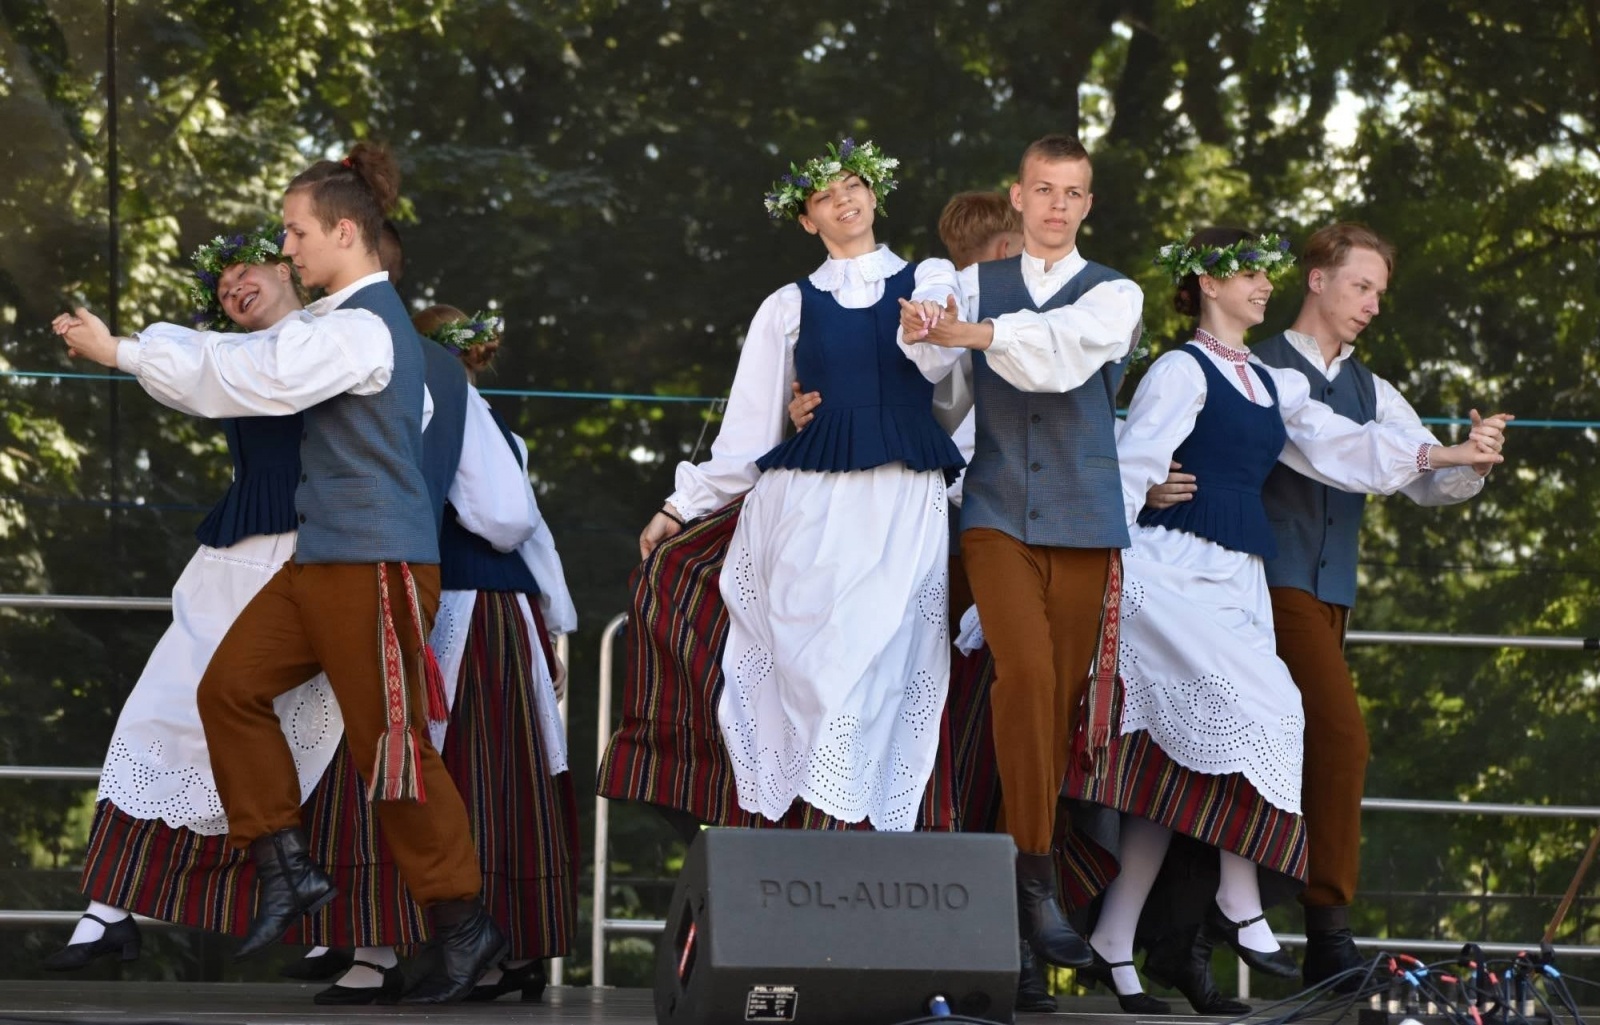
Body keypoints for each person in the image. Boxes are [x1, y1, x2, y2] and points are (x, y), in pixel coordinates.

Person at [54, 142, 503, 1004]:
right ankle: (287, 868)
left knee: (393, 756)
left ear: (343, 231)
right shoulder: (330, 324)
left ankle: (464, 923)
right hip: (323, 561)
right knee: (226, 689)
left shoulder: (366, 327)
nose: (286, 247)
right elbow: (248, 361)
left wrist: (124, 351)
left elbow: (250, 375)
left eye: (296, 232)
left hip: (375, 565)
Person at [1054, 227, 1508, 1009]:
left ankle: (1135, 939)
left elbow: (1354, 448)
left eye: (1379, 292)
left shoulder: (1297, 386)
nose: (1372, 305)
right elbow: (1132, 459)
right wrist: (1108, 547)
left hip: (1255, 580)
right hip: (1201, 577)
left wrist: (1454, 455)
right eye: (1362, 286)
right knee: (1291, 719)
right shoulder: (1206, 366)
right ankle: (1267, 905)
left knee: (1187, 765)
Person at [631, 138, 965, 833]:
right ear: (807, 220)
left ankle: (851, 835)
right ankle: (805, 838)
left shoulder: (929, 276)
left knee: (882, 654)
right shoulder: (786, 305)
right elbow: (748, 430)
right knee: (812, 662)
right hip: (809, 504)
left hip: (901, 500)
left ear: (875, 194)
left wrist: (929, 319)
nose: (844, 199)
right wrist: (680, 503)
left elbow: (940, 366)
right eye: (823, 195)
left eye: (853, 184)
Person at [42, 228, 348, 970]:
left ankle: (350, 929)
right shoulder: (233, 355)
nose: (232, 287)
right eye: (220, 285)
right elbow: (200, 360)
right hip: (232, 558)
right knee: (161, 712)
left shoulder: (326, 339)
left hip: (310, 557)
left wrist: (120, 350)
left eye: (245, 270)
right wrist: (121, 347)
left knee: (321, 738)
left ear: (289, 266)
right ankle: (108, 909)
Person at [898, 133, 1144, 973]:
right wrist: (930, 323)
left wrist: (970, 328)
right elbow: (936, 373)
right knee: (1027, 678)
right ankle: (1034, 883)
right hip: (996, 511)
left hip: (1084, 521)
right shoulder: (965, 281)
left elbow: (1053, 357)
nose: (1056, 206)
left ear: (1087, 204)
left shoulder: (1116, 295)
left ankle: (1023, 914)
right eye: (1043, 190)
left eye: (1072, 193)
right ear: (1018, 195)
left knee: (1055, 708)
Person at [415, 304, 581, 1002]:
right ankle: (516, 950)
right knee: (515, 778)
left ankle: (489, 951)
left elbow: (511, 522)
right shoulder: (498, 428)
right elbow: (533, 532)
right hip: (507, 612)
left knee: (471, 776)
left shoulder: (451, 415)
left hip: (469, 611)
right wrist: (552, 618)